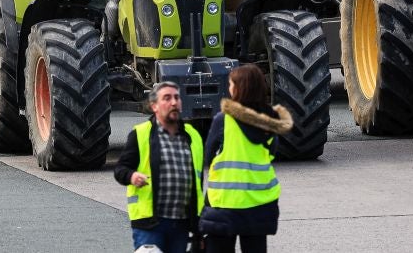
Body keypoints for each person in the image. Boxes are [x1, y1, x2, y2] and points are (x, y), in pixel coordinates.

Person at [199, 63, 293, 253]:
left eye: (232, 84)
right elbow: (271, 152)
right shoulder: (270, 124)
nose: (229, 89)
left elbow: (207, 156)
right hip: (259, 205)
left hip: (225, 205)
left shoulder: (224, 120)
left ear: (241, 88)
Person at [114, 81, 205, 253]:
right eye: (167, 98)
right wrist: (132, 176)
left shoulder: (193, 136)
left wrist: (199, 229)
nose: (173, 102)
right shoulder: (141, 134)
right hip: (150, 224)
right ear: (154, 106)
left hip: (182, 223)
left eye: (177, 98)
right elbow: (121, 170)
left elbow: (197, 184)